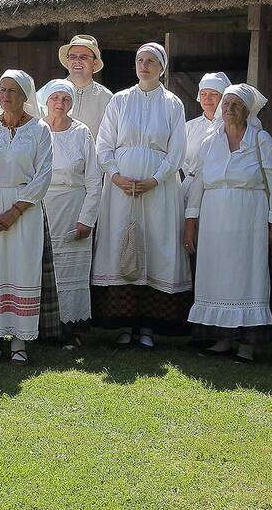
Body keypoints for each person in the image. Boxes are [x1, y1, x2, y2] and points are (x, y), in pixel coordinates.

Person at [91, 42, 190, 349]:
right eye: (139, 60)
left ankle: (148, 326)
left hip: (158, 191)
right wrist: (116, 175)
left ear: (161, 67)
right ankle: (123, 326)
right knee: (121, 243)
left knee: (155, 246)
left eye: (150, 61)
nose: (144, 65)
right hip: (121, 190)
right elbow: (104, 144)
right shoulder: (120, 100)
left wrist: (157, 179)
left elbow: (177, 151)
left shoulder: (173, 104)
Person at [184, 84, 272, 363]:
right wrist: (190, 222)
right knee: (216, 275)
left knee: (247, 276)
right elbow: (197, 185)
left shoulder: (260, 139)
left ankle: (247, 345)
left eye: (236, 104)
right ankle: (222, 339)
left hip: (249, 220)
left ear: (247, 110)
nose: (229, 109)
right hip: (215, 221)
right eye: (226, 104)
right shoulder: (209, 142)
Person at [0, 70, 53, 365]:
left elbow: (43, 176)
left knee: (21, 269)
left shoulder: (40, 130)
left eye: (13, 91)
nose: (5, 96)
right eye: (2, 90)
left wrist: (15, 211)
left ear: (25, 95)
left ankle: (19, 342)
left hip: (24, 210)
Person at [41, 79, 101, 345]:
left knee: (70, 271)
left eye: (66, 99)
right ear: (46, 99)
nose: (60, 104)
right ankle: (41, 328)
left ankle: (70, 330)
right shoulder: (36, 128)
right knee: (41, 269)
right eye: (55, 98)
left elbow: (94, 180)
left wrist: (87, 218)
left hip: (74, 207)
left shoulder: (82, 132)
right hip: (41, 207)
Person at [182, 72, 231, 203]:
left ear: (223, 98)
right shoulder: (188, 127)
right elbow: (180, 158)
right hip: (190, 188)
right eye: (203, 94)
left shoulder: (231, 127)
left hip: (218, 192)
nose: (207, 98)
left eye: (213, 94)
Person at [54, 34, 113, 135]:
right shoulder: (52, 91)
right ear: (68, 61)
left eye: (83, 57)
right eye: (72, 56)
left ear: (94, 63)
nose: (77, 61)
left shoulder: (107, 98)